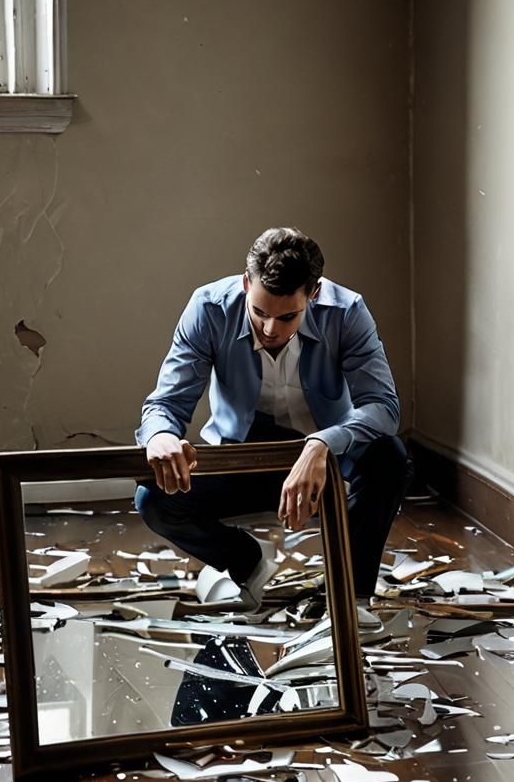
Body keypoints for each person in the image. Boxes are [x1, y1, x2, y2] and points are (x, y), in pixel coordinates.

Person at [134, 227, 409, 616]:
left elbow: (384, 406)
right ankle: (246, 560)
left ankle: (351, 595)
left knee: (389, 458)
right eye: (259, 312)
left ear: (312, 294)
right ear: (247, 283)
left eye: (287, 317)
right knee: (153, 499)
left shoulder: (347, 312)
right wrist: (161, 435)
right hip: (242, 455)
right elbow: (166, 402)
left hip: (324, 460)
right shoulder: (209, 308)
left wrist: (322, 443)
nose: (270, 329)